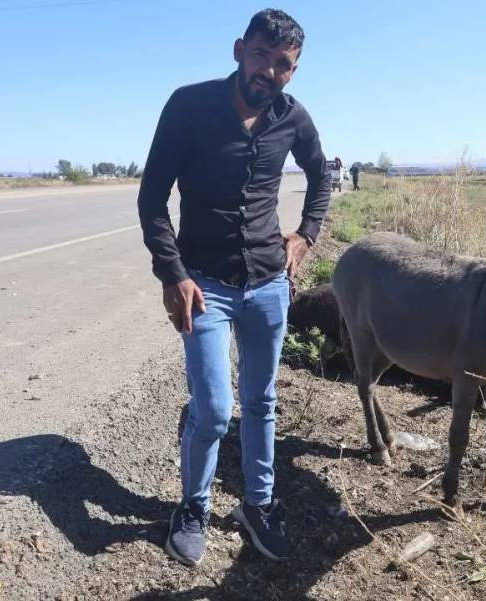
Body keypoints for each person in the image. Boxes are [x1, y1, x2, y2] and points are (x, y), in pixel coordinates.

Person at [137, 8, 330, 566]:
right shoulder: (189, 106)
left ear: (293, 71)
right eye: (261, 58)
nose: (269, 73)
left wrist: (306, 236)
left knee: (262, 400)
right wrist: (173, 275)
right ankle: (193, 508)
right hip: (205, 286)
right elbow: (152, 201)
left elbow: (321, 177)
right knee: (216, 409)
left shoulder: (293, 118)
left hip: (269, 285)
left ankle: (257, 504)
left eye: (284, 66)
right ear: (239, 49)